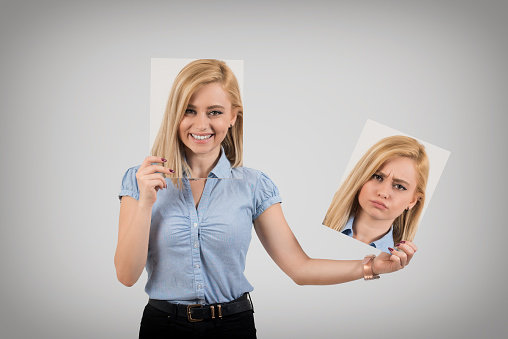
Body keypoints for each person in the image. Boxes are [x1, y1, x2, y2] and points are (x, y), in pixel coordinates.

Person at [115, 59, 418, 339]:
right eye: (189, 110)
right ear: (175, 113)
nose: (201, 124)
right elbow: (126, 277)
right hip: (162, 327)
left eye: (215, 112)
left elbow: (300, 268)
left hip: (233, 327)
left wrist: (372, 268)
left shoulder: (254, 185)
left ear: (234, 116)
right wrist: (145, 203)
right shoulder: (139, 180)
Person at [323, 135, 429, 254]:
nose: (383, 193)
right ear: (361, 176)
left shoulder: (398, 265)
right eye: (377, 177)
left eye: (399, 186)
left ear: (412, 201)